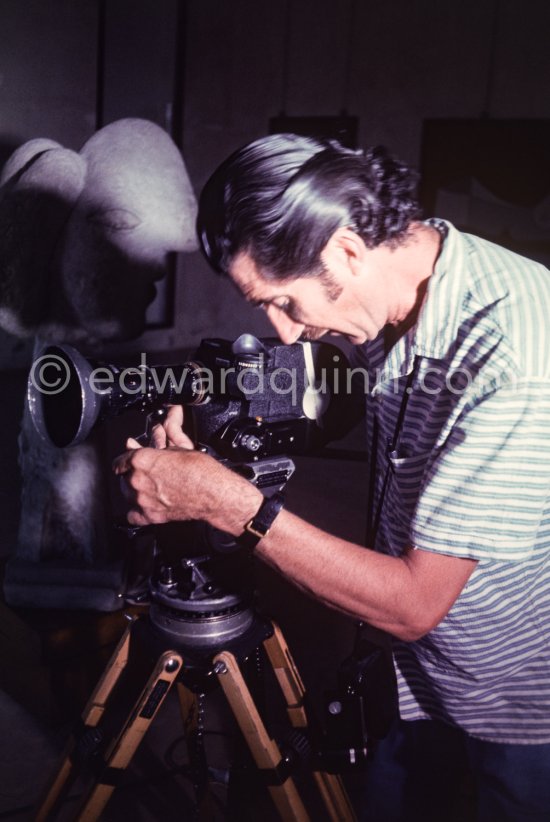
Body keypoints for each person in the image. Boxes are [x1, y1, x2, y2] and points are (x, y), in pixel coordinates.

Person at [113, 134, 550, 821]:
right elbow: (343, 399)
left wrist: (232, 506)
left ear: (347, 248)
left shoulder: (513, 357)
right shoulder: (398, 286)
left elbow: (411, 604)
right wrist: (208, 406)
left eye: (284, 303)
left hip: (514, 697)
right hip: (409, 673)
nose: (285, 333)